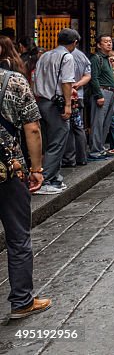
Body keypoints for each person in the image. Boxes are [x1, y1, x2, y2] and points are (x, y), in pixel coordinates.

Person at [0, 65, 51, 319]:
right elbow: (32, 128)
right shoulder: (14, 81)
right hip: (9, 170)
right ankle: (22, 300)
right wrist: (37, 168)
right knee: (18, 237)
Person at [31, 28, 78, 194]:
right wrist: (67, 105)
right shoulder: (67, 56)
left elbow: (35, 78)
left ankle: (53, 176)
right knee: (58, 139)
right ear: (74, 43)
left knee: (46, 139)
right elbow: (66, 82)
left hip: (40, 101)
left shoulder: (44, 55)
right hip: (54, 103)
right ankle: (48, 179)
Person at [86, 35, 114, 161]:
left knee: (106, 123)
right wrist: (98, 95)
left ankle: (100, 147)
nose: (109, 44)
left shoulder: (107, 59)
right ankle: (94, 151)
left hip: (110, 92)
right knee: (98, 122)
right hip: (102, 92)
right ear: (99, 45)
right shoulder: (96, 58)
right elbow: (94, 78)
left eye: (110, 41)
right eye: (105, 42)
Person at [62, 44, 92, 169]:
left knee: (68, 127)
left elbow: (65, 80)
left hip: (68, 97)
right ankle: (82, 157)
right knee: (78, 127)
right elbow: (88, 75)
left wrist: (72, 87)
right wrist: (78, 85)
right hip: (79, 96)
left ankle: (69, 158)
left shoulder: (63, 56)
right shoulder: (82, 56)